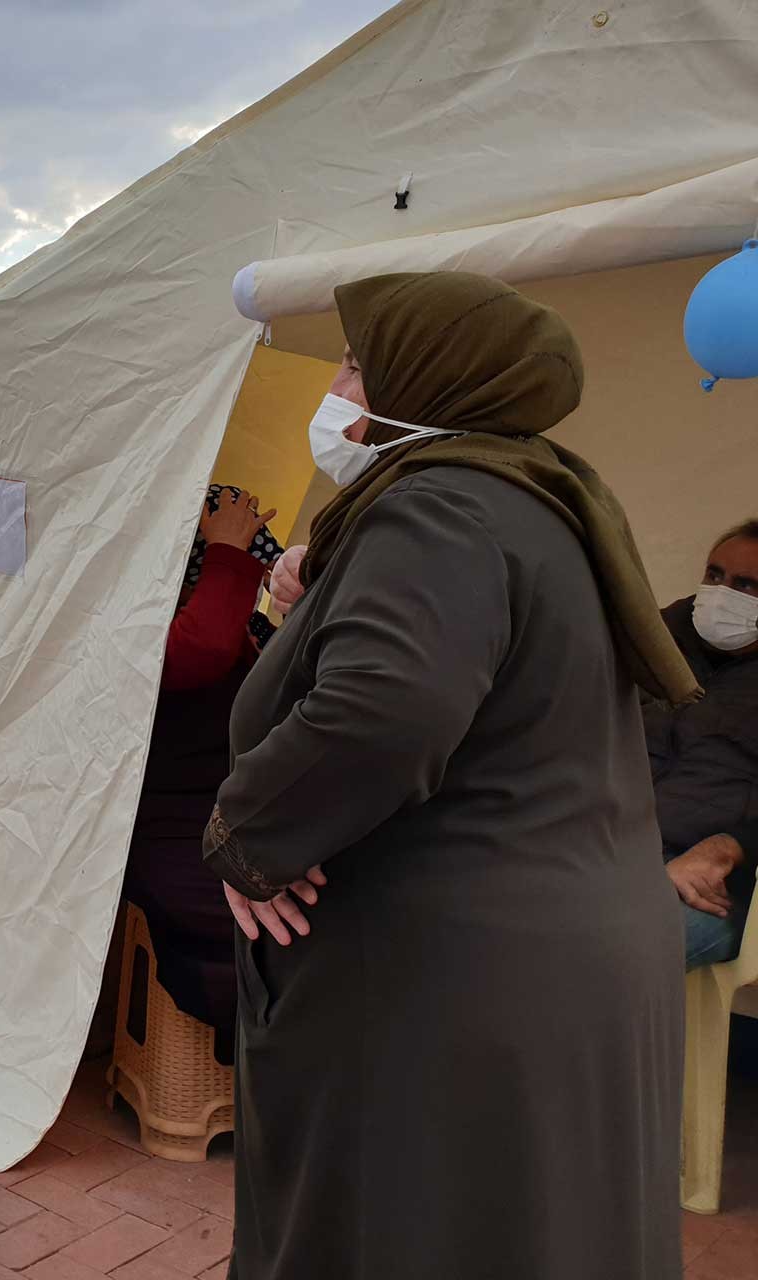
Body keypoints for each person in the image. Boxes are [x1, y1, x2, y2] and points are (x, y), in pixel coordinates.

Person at [202, 272, 691, 1280]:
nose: (336, 385)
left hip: (451, 977)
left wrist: (251, 837)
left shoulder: (440, 507)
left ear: (423, 379)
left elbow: (385, 709)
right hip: (549, 949)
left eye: (351, 363)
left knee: (420, 1230)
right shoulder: (541, 497)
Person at [98, 485, 280, 1058]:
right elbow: (195, 654)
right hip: (180, 843)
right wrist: (229, 552)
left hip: (238, 830)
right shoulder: (132, 627)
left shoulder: (247, 631)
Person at [649, 521, 758, 969]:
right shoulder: (650, 644)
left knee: (601, 957)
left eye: (746, 584)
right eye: (715, 575)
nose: (721, 593)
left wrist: (726, 848)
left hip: (713, 884)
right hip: (602, 847)